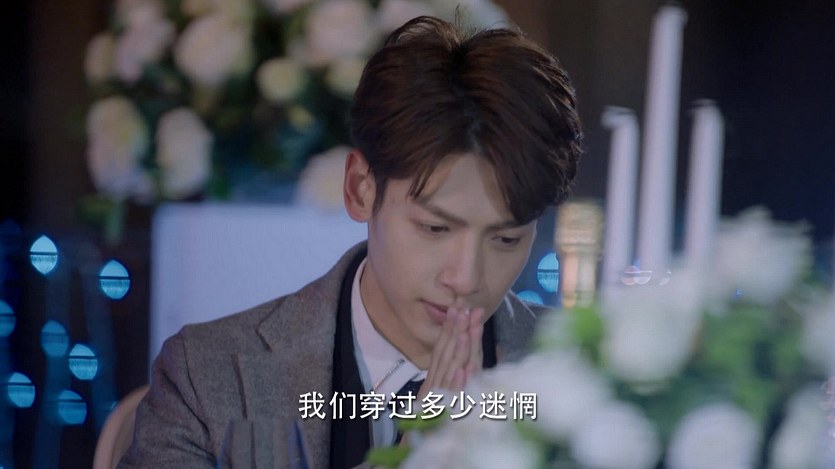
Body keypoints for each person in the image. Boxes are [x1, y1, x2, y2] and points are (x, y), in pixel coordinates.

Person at [120, 15, 582, 469]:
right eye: (434, 228)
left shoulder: (582, 376)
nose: (465, 279)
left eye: (505, 238)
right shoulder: (206, 376)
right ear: (360, 188)